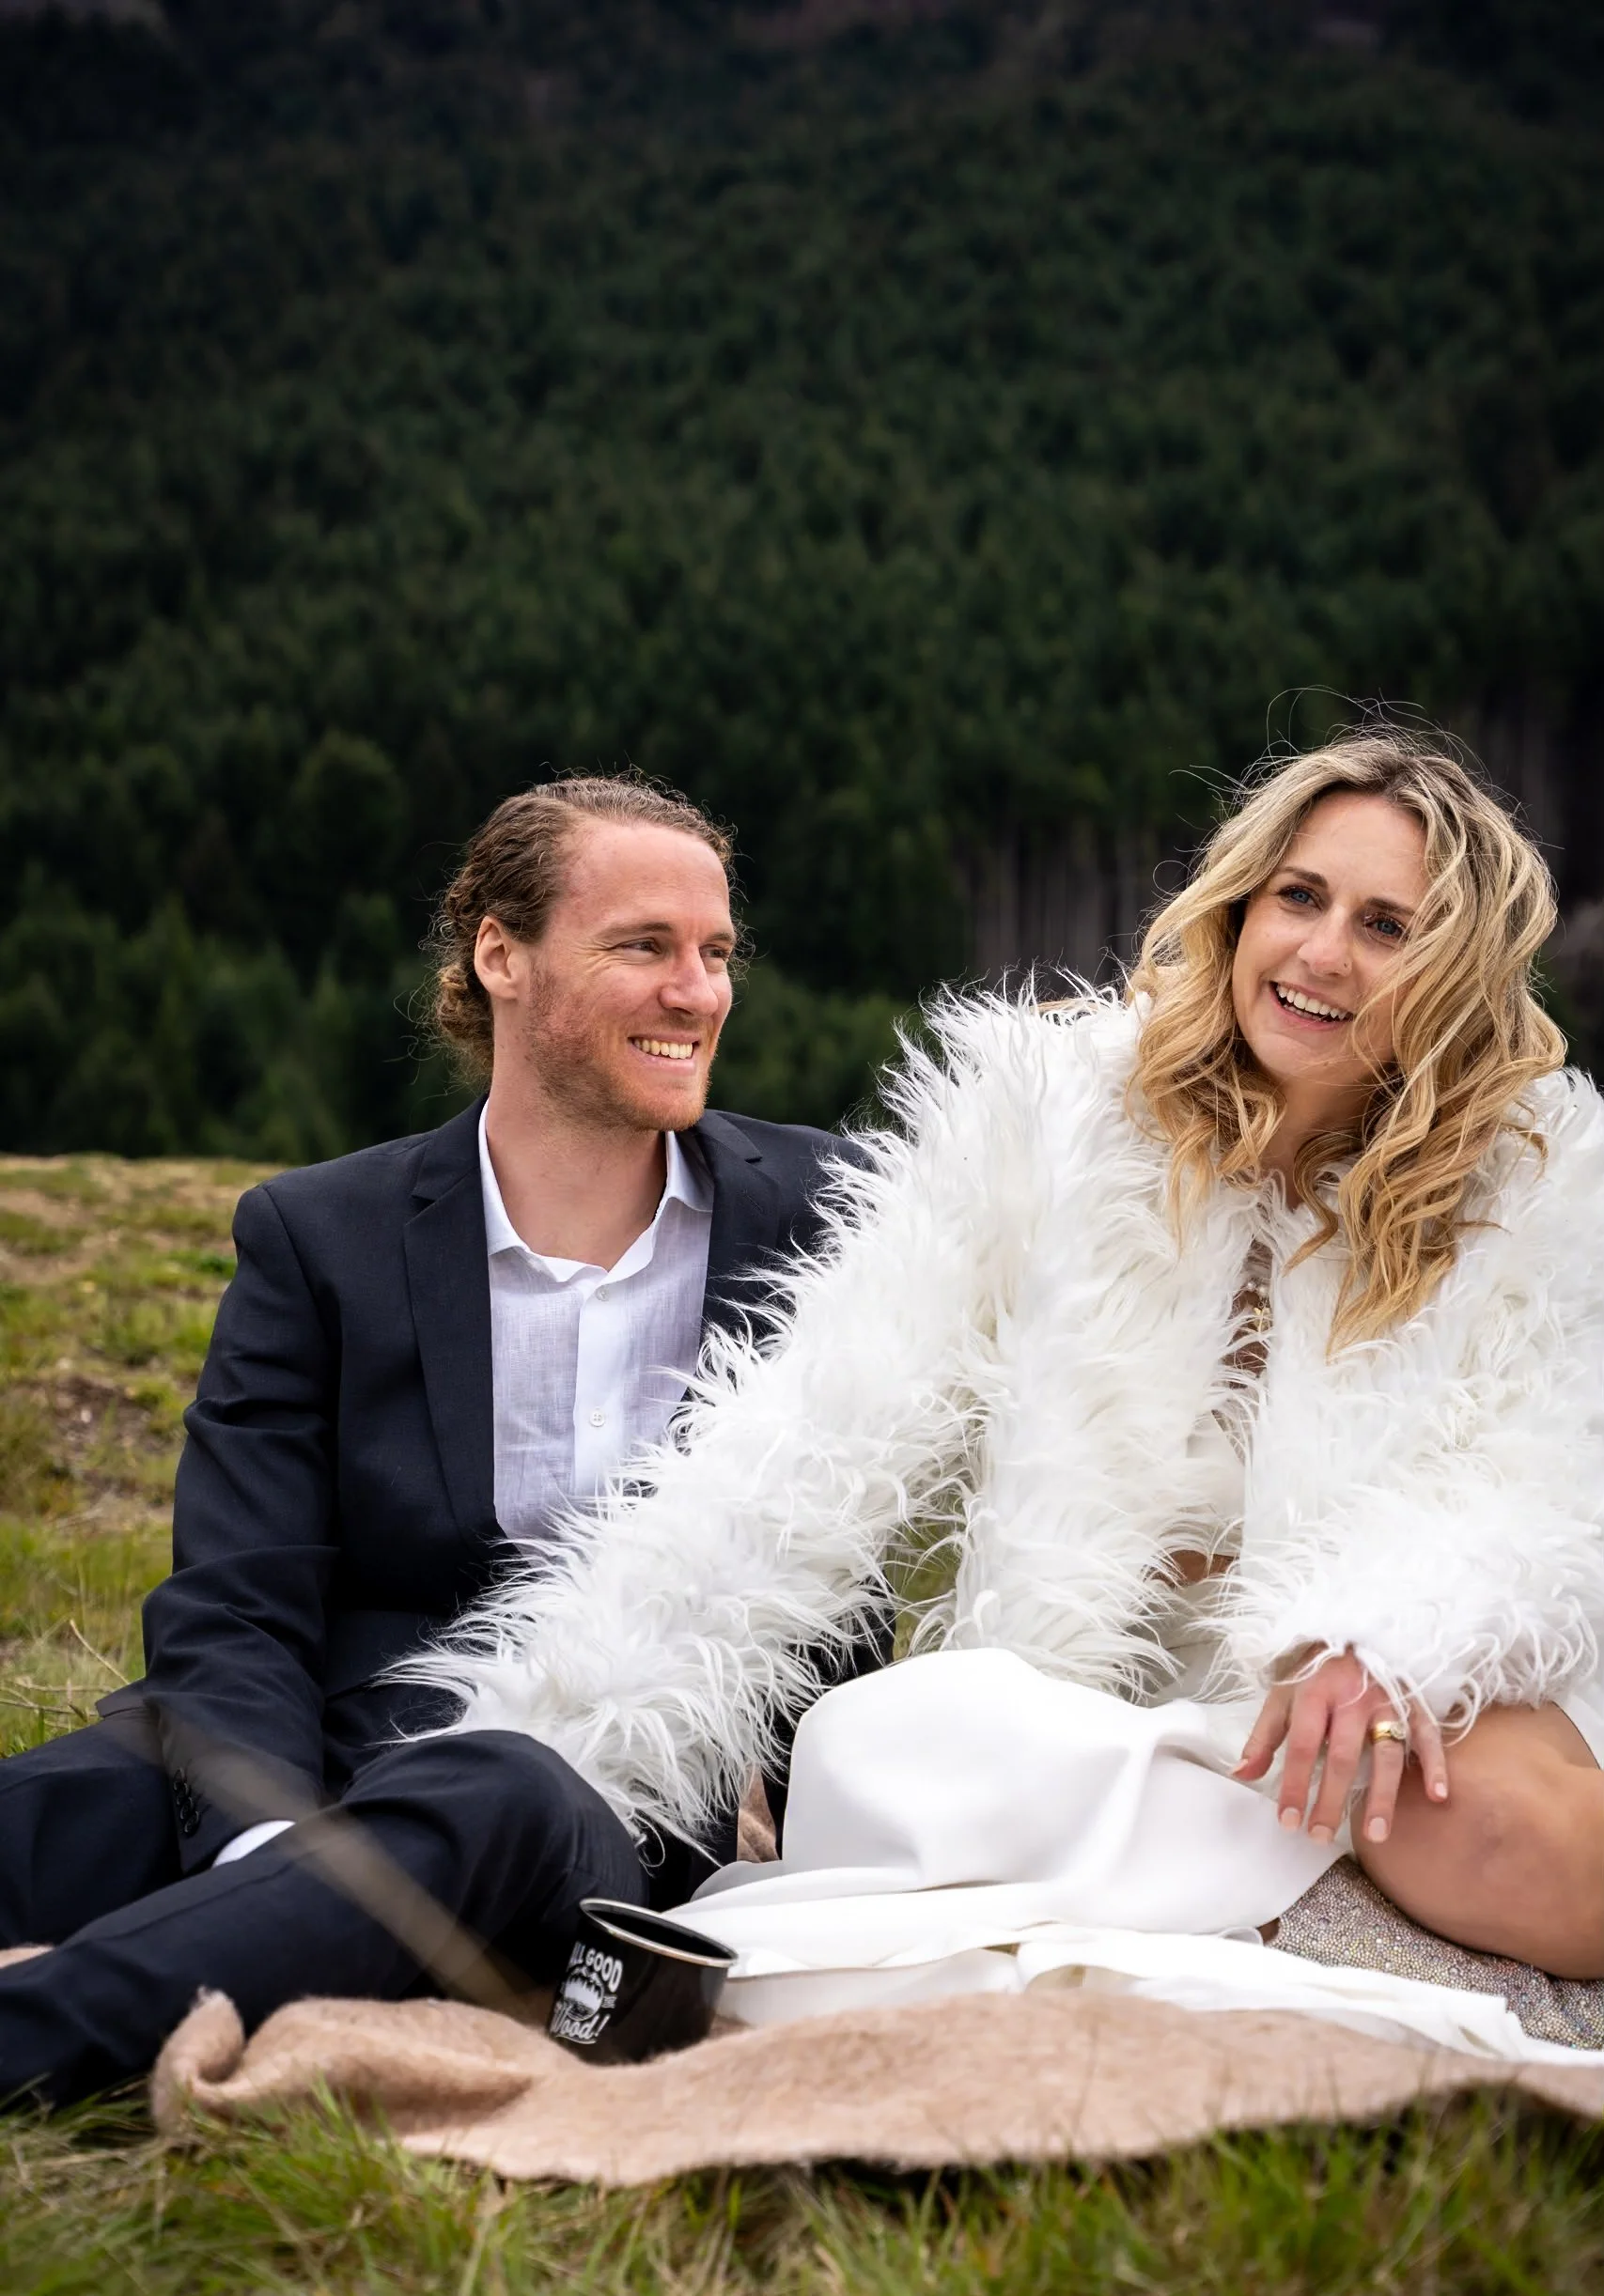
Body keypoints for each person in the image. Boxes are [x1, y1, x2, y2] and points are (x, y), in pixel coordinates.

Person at [410, 729, 1604, 2014]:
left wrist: (1387, 1634)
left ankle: (1305, 1916)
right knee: (893, 1736)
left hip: (1358, 1723)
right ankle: (1268, 1926)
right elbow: (801, 1453)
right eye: (1298, 898)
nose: (1319, 954)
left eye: (1386, 926)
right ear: (1240, 905)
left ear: (1454, 974)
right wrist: (542, 1738)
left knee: (1457, 1794)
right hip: (1089, 1748)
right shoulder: (1048, 1115)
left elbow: (1555, 1477)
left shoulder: (1532, 1187)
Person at [0, 774, 876, 2106]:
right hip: (319, 1740)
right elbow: (236, 1598)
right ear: (499, 955)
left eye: (714, 955)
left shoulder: (824, 1214)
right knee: (56, 1814)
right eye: (643, 946)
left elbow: (864, 1548)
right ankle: (248, 1938)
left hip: (590, 1792)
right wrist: (270, 1850)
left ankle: (34, 2026)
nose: (696, 993)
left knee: (503, 1795)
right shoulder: (319, 1234)